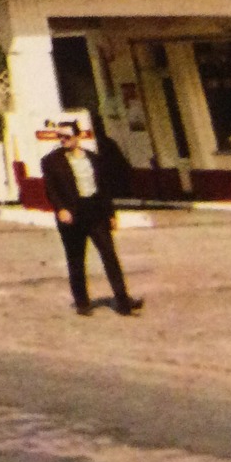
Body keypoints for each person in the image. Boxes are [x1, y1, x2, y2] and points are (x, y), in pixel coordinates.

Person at [40, 119, 144, 317]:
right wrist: (61, 209)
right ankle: (82, 302)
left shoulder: (93, 158)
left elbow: (104, 189)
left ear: (78, 137)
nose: (63, 140)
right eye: (60, 137)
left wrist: (111, 214)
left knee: (109, 255)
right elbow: (51, 189)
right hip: (72, 214)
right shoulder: (51, 161)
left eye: (67, 137)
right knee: (76, 259)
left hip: (95, 211)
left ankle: (123, 300)